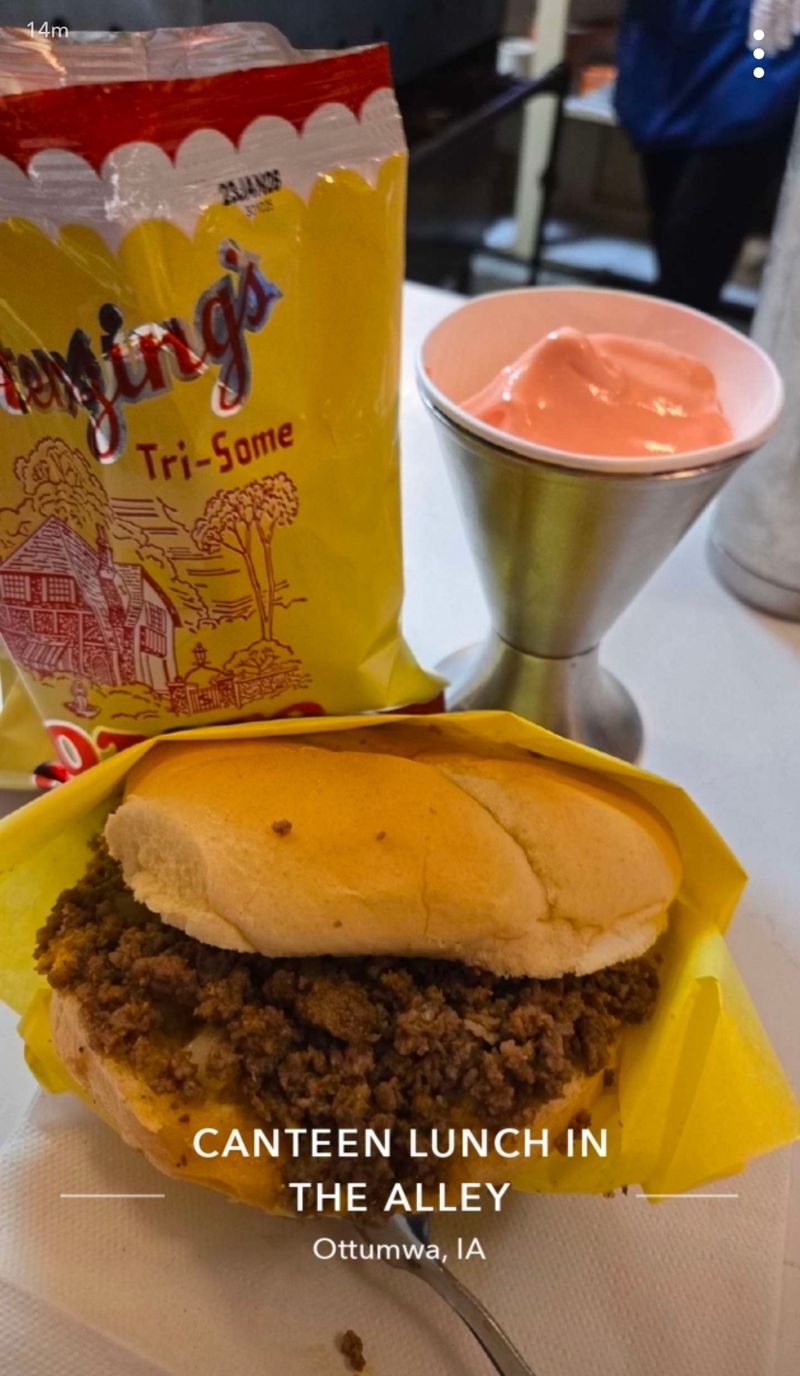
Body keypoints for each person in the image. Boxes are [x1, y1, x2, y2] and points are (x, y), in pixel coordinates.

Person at [615, 1, 800, 313]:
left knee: (691, 258)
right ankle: (675, 328)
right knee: (670, 235)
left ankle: (675, 340)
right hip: (667, 54)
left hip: (755, 60)